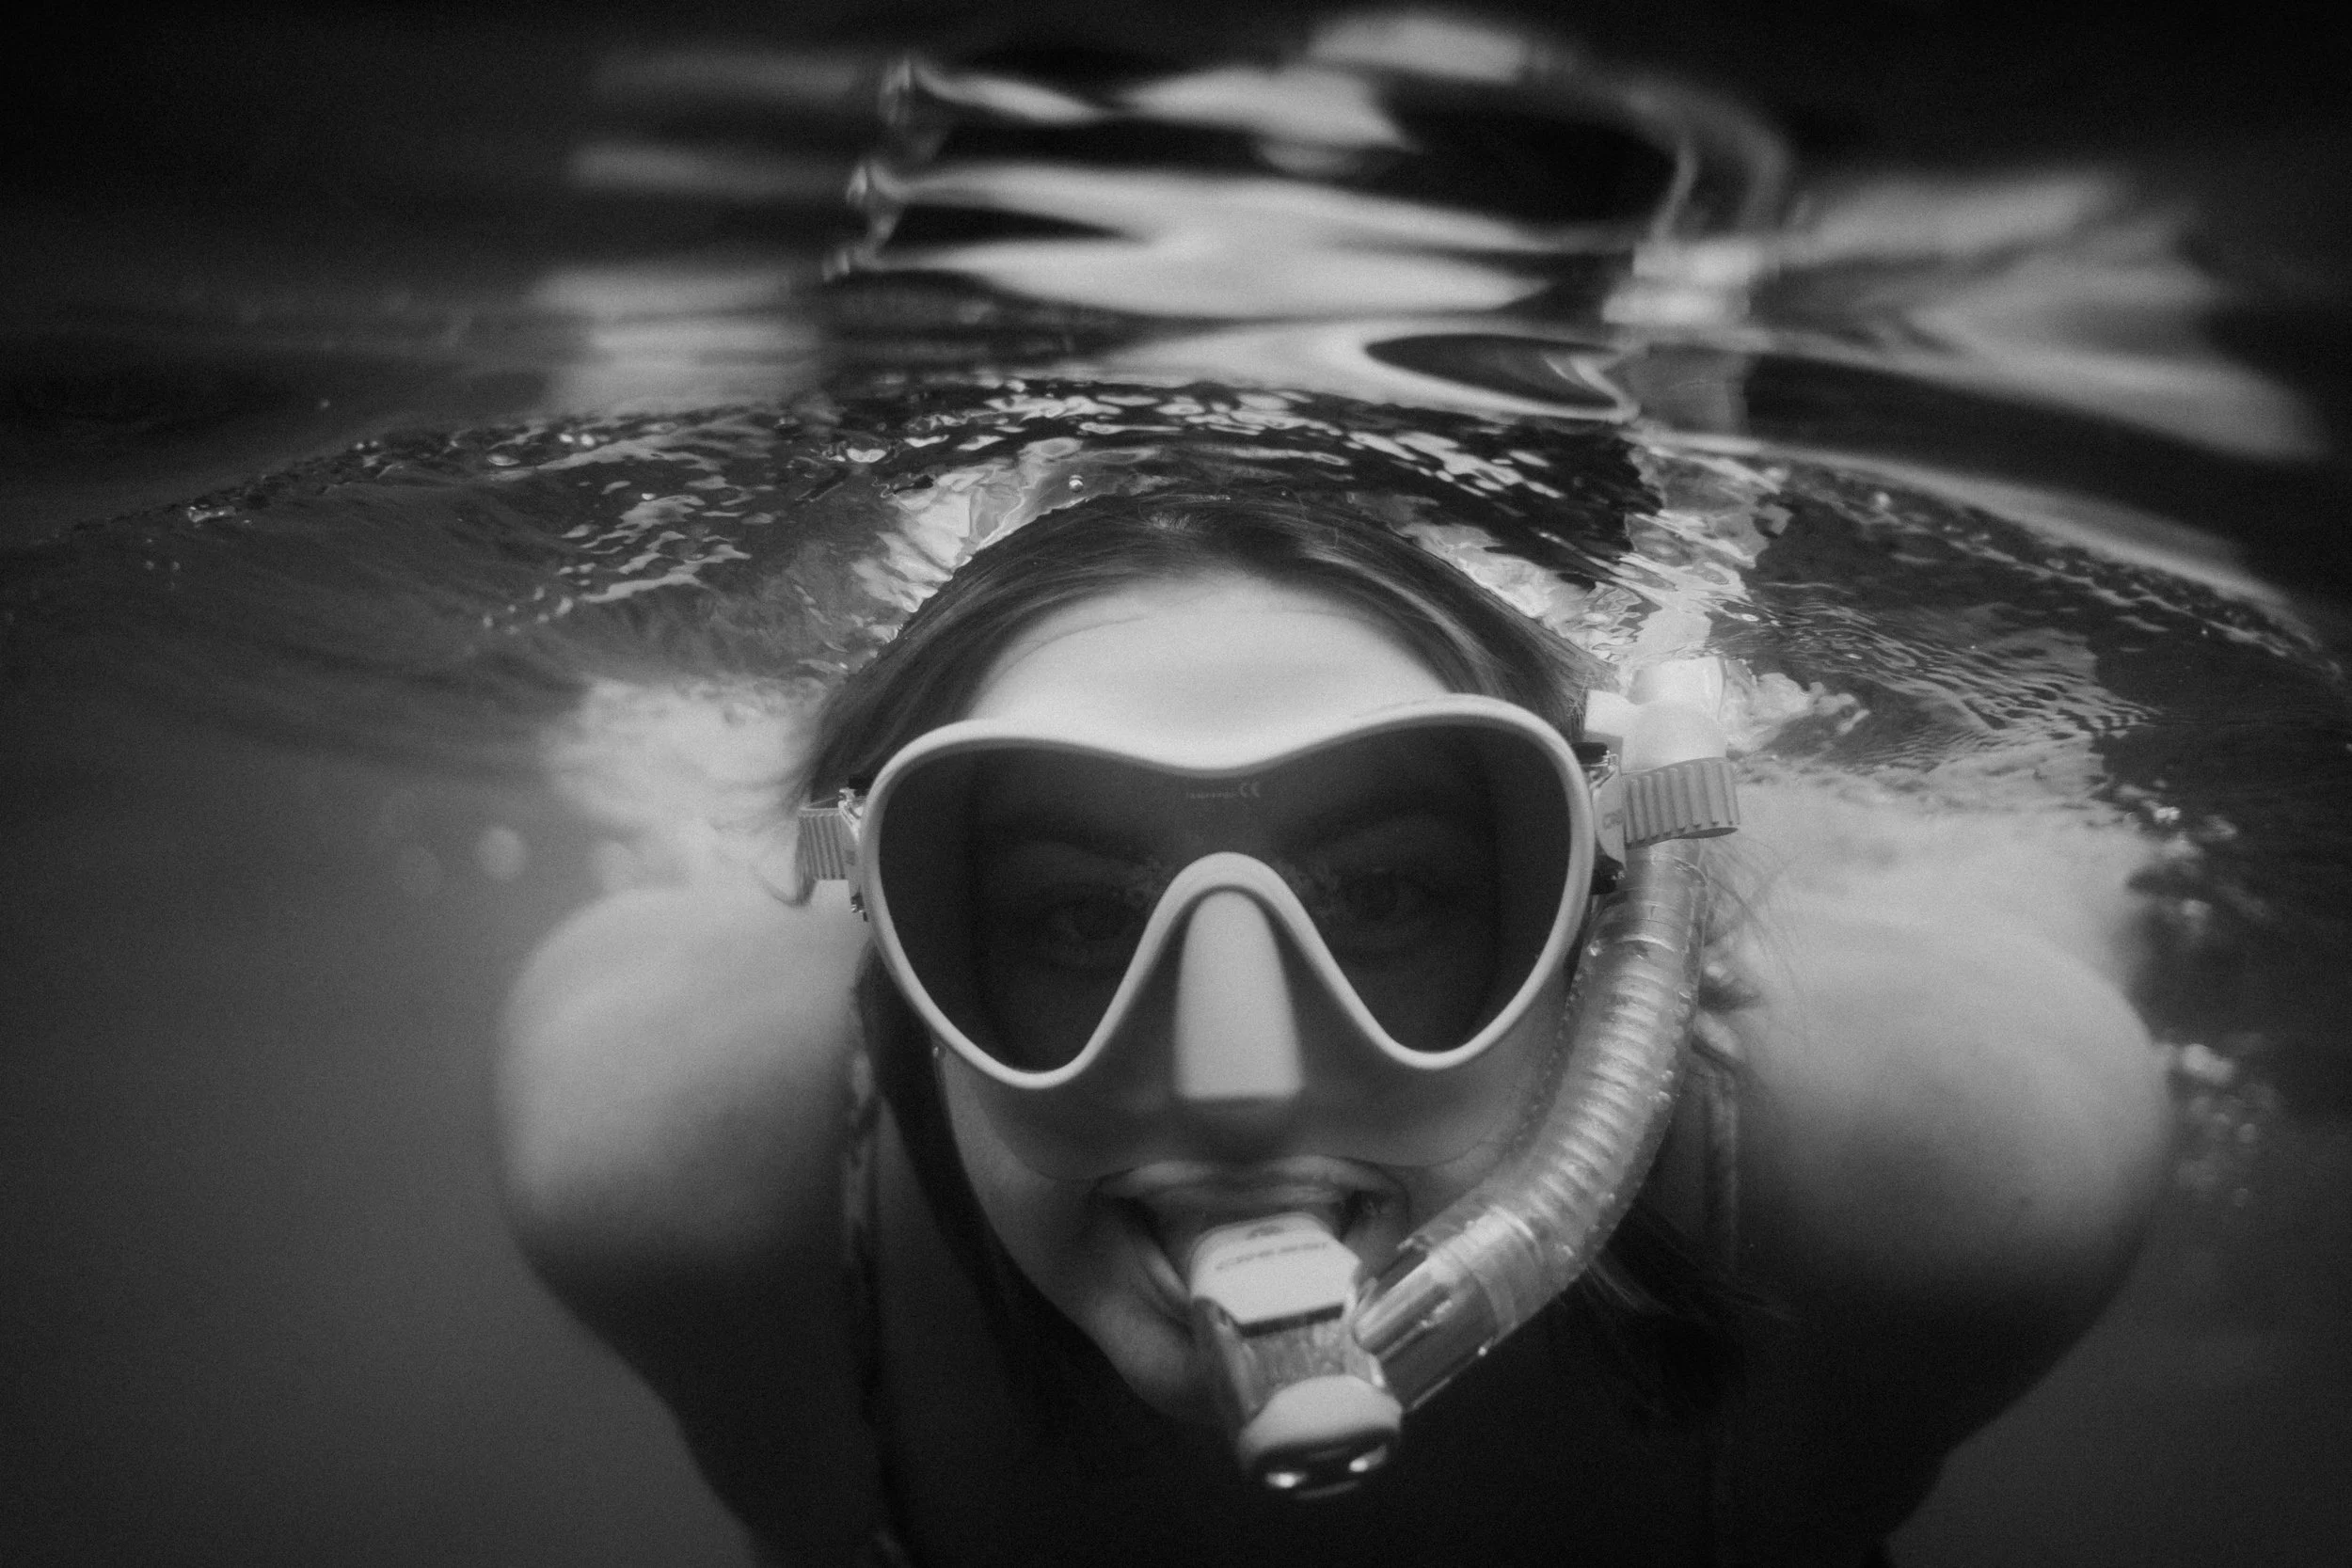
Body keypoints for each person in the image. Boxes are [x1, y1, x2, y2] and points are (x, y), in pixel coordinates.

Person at [498, 489, 2169, 1566]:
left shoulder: (1954, 1165)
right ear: (899, 958)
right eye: (1073, 918)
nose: (1239, 1085)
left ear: (1600, 921)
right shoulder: (671, 1149)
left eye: (1388, 900)